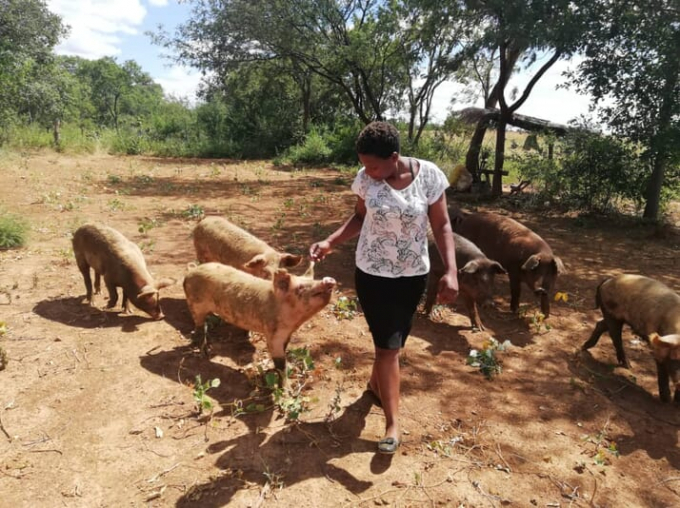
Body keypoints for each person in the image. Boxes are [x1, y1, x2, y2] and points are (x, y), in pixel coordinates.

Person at [309, 121, 459, 455]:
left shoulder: (430, 177)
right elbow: (360, 218)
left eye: (374, 166)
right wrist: (330, 241)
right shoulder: (365, 180)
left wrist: (451, 271)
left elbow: (442, 224)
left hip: (412, 276)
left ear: (394, 156)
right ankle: (393, 423)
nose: (368, 172)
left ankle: (376, 387)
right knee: (387, 349)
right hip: (372, 274)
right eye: (364, 165)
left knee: (392, 343)